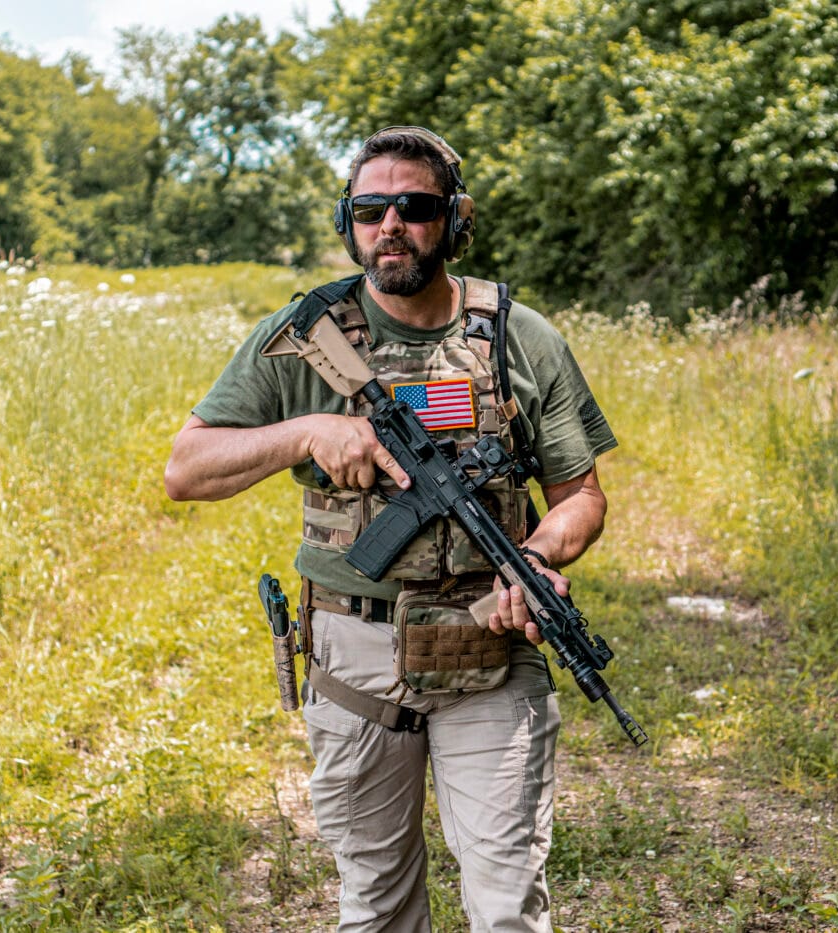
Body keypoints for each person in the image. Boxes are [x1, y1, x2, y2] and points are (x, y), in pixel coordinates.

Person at [165, 126, 617, 932]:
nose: (392, 225)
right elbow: (187, 468)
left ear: (455, 218)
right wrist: (306, 434)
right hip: (356, 656)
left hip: (490, 644)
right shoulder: (309, 335)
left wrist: (538, 558)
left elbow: (581, 494)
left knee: (510, 904)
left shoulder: (520, 334)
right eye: (372, 208)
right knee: (375, 905)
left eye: (415, 205)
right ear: (350, 221)